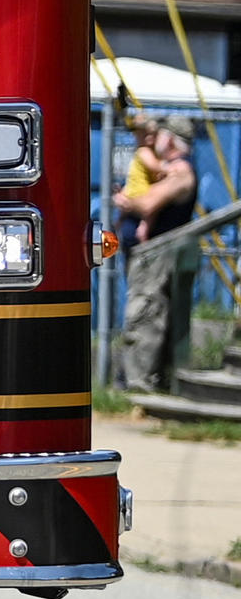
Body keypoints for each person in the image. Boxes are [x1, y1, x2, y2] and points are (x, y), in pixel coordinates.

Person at [117, 114, 200, 392]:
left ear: (172, 139)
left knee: (145, 313)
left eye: (161, 134)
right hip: (150, 255)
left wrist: (128, 201)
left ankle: (140, 383)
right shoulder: (166, 168)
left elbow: (148, 204)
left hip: (159, 257)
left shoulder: (181, 172)